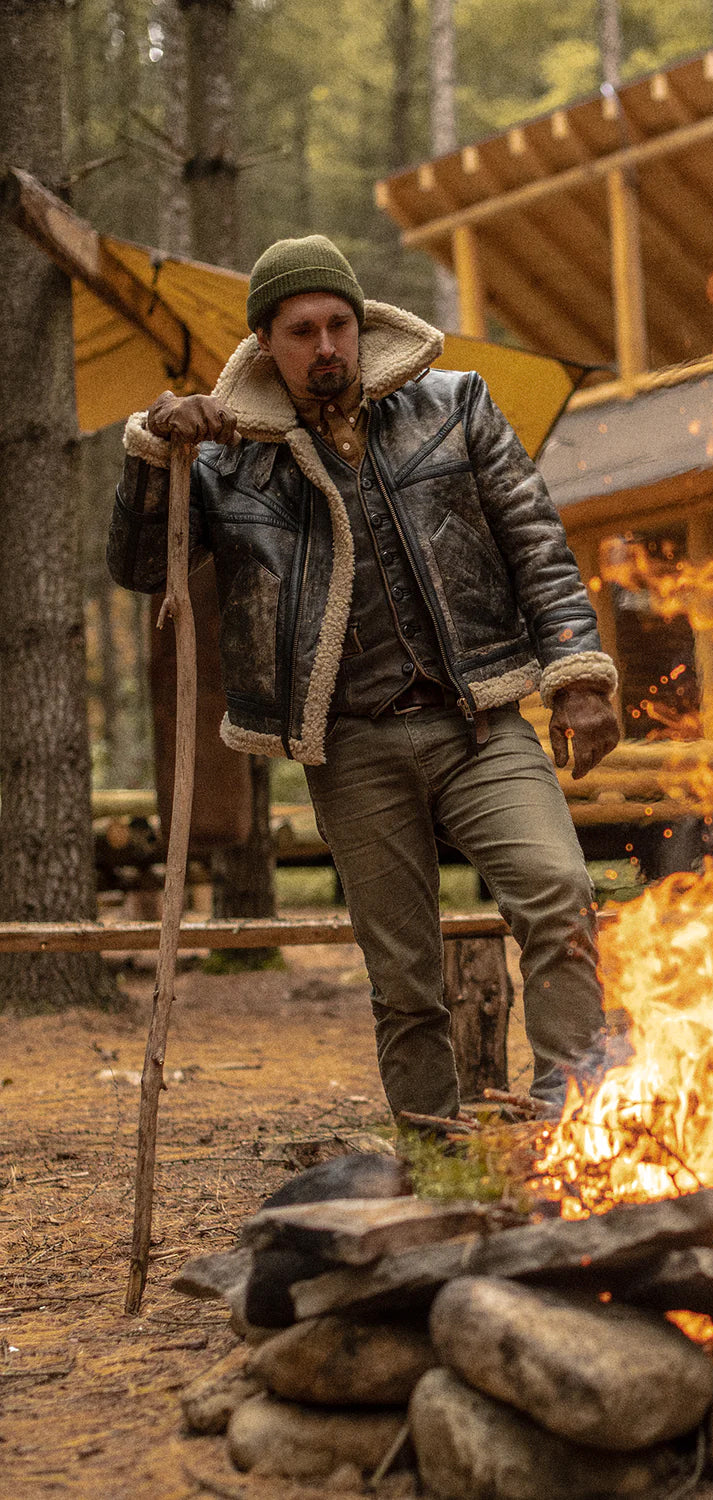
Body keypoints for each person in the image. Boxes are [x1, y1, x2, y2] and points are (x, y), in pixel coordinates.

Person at [109, 234, 620, 1120]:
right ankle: (432, 1158)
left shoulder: (454, 406)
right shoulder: (230, 460)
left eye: (338, 323)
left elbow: (534, 538)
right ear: (266, 343)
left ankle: (575, 1121)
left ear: (362, 322)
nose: (326, 347)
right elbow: (144, 566)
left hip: (478, 723)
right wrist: (154, 451)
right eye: (301, 330)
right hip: (349, 748)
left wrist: (578, 671)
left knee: (561, 896)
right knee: (403, 977)